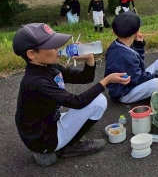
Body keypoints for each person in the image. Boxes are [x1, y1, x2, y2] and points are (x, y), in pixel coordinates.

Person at [13, 23, 129, 167]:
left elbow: (85, 78)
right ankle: (70, 146)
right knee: (99, 102)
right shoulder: (36, 82)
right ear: (32, 54)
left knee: (93, 102)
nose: (58, 49)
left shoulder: (49, 67)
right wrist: (106, 81)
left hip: (47, 122)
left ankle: (65, 141)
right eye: (52, 46)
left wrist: (89, 58)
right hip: (43, 138)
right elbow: (77, 102)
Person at [104, 12, 158, 103]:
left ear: (114, 32)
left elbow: (138, 64)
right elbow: (138, 78)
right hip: (125, 93)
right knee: (157, 83)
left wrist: (138, 45)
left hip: (132, 80)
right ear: (137, 32)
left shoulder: (118, 45)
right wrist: (157, 77)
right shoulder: (123, 55)